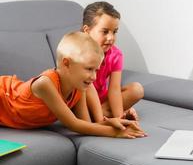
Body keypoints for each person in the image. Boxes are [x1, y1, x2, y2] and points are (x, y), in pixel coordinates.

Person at [0, 31, 146, 138]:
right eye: (89, 69)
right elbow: (73, 125)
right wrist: (116, 133)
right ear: (67, 64)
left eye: (96, 70)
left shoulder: (79, 87)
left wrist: (117, 123)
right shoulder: (45, 84)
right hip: (4, 98)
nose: (94, 77)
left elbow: (85, 124)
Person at [81, 1, 144, 120]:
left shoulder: (116, 55)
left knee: (136, 89)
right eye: (105, 32)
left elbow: (114, 90)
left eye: (114, 32)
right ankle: (97, 116)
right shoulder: (78, 53)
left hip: (101, 99)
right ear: (87, 30)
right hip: (81, 100)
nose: (110, 38)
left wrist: (119, 118)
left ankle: (102, 113)